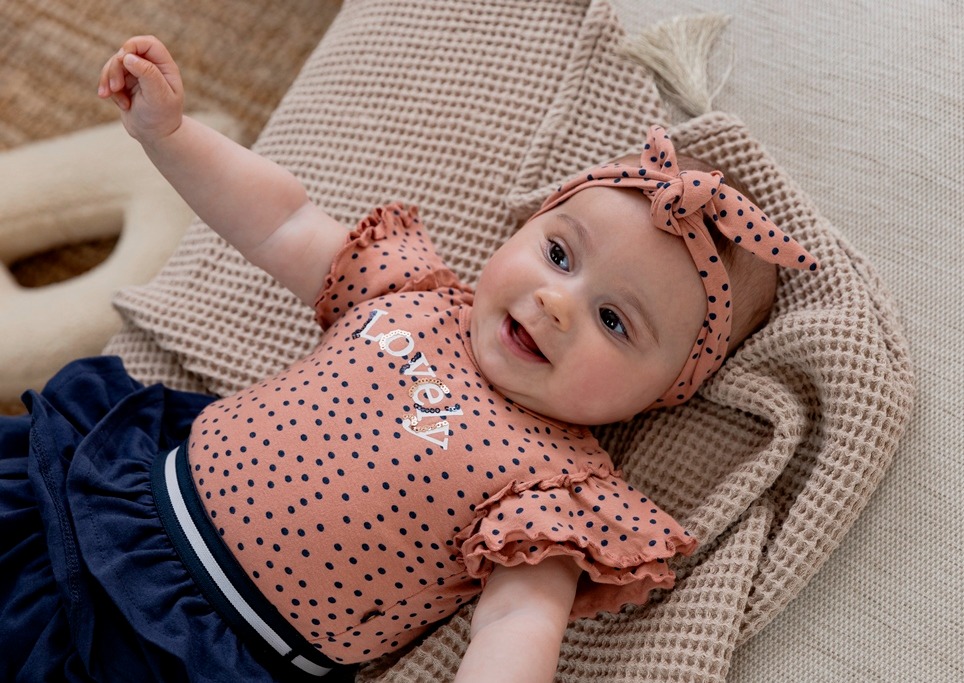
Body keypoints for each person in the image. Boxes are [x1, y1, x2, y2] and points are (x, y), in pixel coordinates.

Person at [0, 35, 816, 683]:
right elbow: (281, 222)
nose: (556, 303)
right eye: (559, 254)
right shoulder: (411, 291)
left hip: (201, 649)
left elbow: (516, 625)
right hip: (105, 493)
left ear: (664, 393)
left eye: (614, 320)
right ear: (523, 230)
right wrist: (173, 136)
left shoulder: (556, 491)